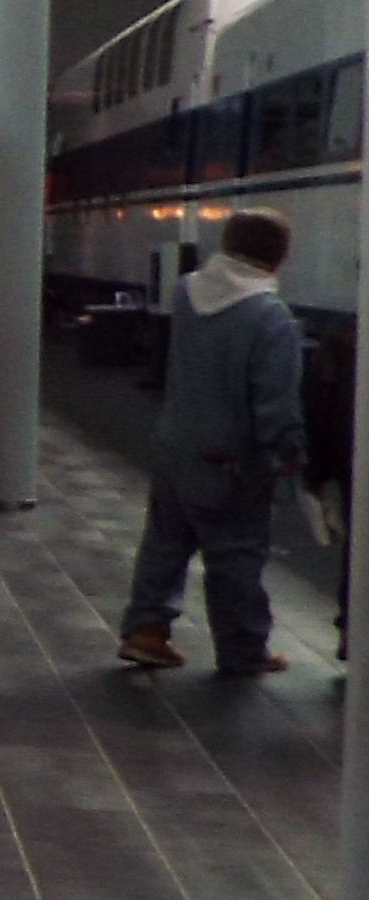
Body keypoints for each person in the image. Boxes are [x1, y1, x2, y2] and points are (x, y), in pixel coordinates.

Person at [119, 205, 310, 675]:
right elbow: (275, 401)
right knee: (236, 553)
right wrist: (290, 451)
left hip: (174, 443)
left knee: (165, 542)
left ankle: (146, 631)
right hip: (230, 459)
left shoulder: (187, 291)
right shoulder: (271, 317)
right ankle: (243, 648)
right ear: (278, 256)